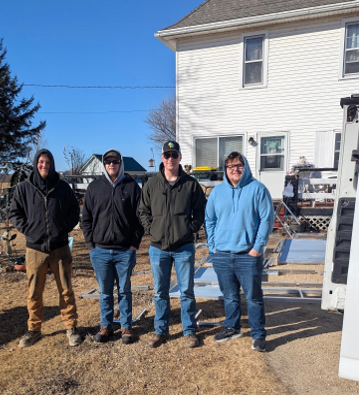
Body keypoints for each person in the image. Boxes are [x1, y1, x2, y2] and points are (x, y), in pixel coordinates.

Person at [10, 149, 82, 348]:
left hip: (60, 248)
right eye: (41, 162)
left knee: (66, 290)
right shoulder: (24, 188)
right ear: (36, 164)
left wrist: (62, 228)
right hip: (35, 250)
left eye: (48, 162)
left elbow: (75, 211)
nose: (44, 165)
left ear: (52, 165)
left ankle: (71, 327)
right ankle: (34, 329)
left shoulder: (63, 188)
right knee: (34, 292)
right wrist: (28, 230)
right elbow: (14, 213)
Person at [205, 151, 274, 352]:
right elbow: (209, 220)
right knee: (230, 295)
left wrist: (257, 248)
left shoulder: (258, 189)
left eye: (239, 165)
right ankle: (232, 327)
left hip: (248, 255)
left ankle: (259, 334)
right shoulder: (217, 193)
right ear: (225, 170)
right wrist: (213, 247)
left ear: (246, 166)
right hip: (222, 255)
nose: (235, 169)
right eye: (230, 166)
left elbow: (266, 220)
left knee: (253, 297)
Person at [139, 140, 206, 348]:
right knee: (160, 291)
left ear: (180, 158)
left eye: (174, 155)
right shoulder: (152, 184)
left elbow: (200, 212)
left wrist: (190, 229)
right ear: (162, 158)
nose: (170, 159)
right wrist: (151, 230)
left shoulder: (191, 184)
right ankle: (161, 330)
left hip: (183, 247)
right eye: (167, 155)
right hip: (158, 248)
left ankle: (189, 330)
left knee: (186, 290)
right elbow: (143, 211)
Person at [81, 149, 143, 344]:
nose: (111, 164)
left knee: (124, 290)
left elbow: (140, 218)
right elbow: (86, 219)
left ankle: (126, 327)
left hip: (125, 250)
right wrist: (91, 244)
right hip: (100, 250)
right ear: (104, 164)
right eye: (108, 161)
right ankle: (106, 326)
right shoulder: (94, 188)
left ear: (120, 163)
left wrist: (134, 244)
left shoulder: (132, 186)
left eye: (115, 161)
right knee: (105, 291)